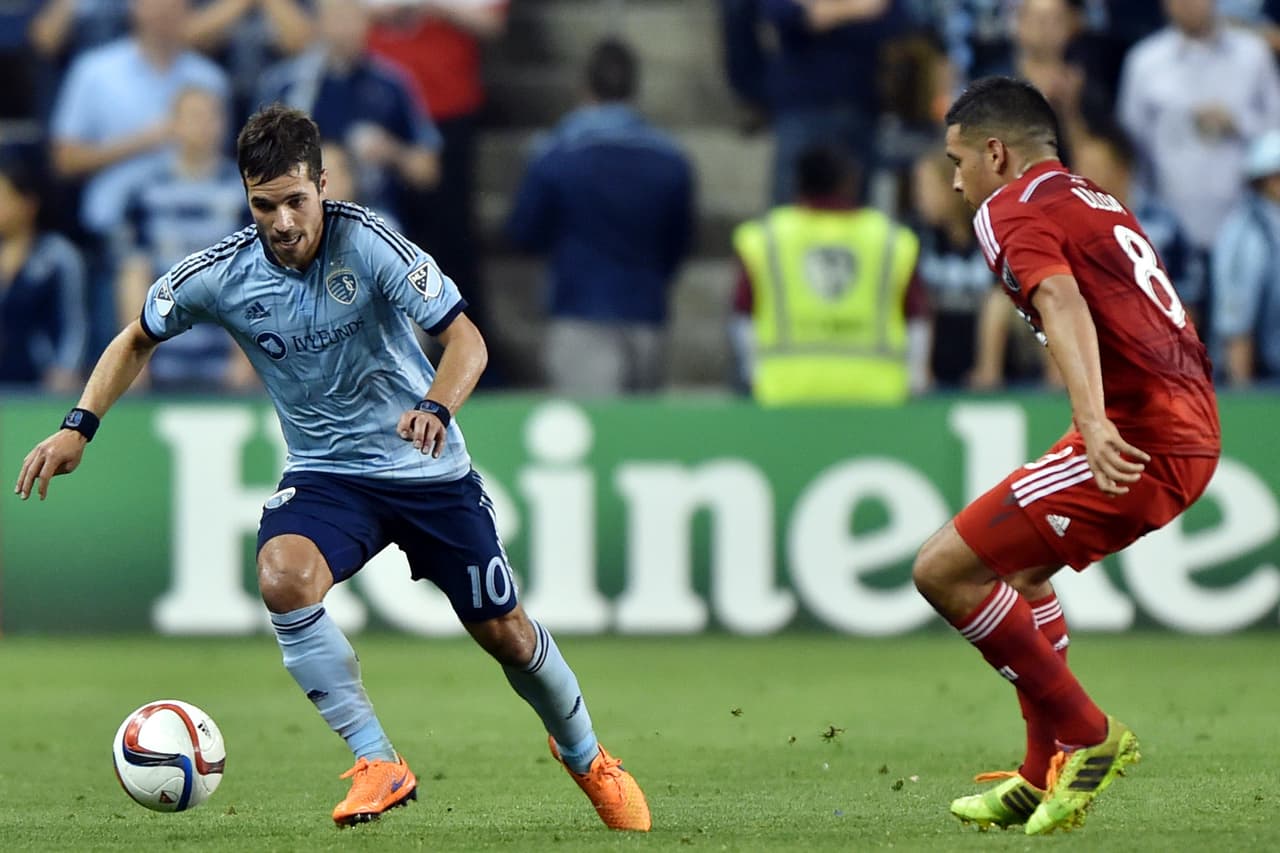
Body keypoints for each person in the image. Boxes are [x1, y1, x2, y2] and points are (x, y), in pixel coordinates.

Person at [13, 104, 651, 833]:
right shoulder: (222, 273)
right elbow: (135, 338)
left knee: (505, 632)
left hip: (425, 468)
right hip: (327, 474)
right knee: (283, 577)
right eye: (263, 204)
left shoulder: (372, 243)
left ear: (322, 185)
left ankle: (587, 755)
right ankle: (378, 759)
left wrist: (437, 409)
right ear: (245, 195)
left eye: (295, 200)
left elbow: (465, 340)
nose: (282, 222)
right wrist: (79, 425)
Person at [918, 76, 1220, 835]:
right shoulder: (1090, 196)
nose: (955, 181)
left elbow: (1060, 300)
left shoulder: (1005, 207)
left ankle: (1088, 734)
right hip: (1185, 418)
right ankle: (1036, 771)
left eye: (959, 161)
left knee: (944, 571)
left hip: (1141, 429)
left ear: (995, 152)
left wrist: (1092, 419)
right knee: (1013, 574)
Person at [504, 38, 694, 395]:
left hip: (580, 311)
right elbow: (679, 241)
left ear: (585, 88)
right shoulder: (671, 160)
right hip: (647, 313)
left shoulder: (558, 154)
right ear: (634, 88)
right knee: (641, 440)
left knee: (595, 435)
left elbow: (524, 231)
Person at [730, 141, 927, 403]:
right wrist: (915, 377)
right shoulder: (891, 240)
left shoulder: (765, 238)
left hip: (784, 394)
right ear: (850, 181)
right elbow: (916, 318)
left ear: (798, 181)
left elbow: (743, 316)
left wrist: (752, 371)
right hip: (875, 396)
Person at [115, 86, 255, 392]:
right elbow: (134, 273)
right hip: (164, 351)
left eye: (212, 116)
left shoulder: (245, 194)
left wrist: (246, 358)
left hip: (225, 356)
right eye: (194, 116)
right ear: (174, 124)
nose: (204, 125)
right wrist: (136, 355)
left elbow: (253, 277)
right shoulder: (144, 194)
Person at [0, 153, 88, 390]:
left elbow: (73, 321)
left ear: (28, 204)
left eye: (3, 198)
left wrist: (66, 368)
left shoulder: (58, 256)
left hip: (39, 381)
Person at [1211, 128, 1280, 385]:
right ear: (1267, 180)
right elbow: (1237, 330)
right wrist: (1246, 400)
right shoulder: (1246, 236)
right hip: (1265, 381)